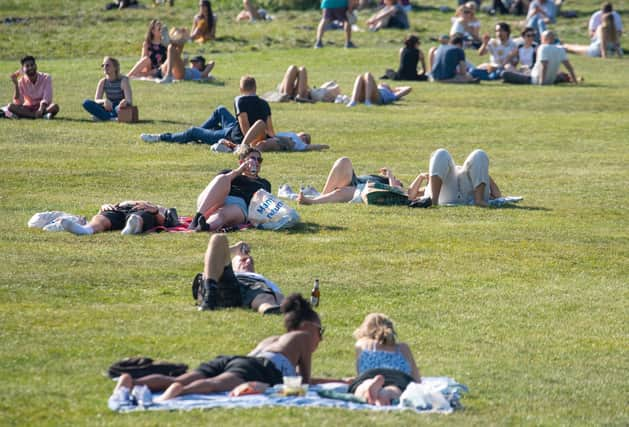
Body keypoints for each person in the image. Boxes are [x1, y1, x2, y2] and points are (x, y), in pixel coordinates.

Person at [109, 293, 324, 402]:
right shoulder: (302, 337)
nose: (320, 339)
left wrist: (339, 380)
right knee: (212, 385)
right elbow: (302, 383)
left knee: (179, 378)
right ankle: (180, 393)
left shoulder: (274, 340)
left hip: (235, 360)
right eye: (320, 331)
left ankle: (130, 381)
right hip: (255, 369)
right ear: (306, 326)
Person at [141, 76, 270, 145]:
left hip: (231, 136)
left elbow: (244, 128)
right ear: (255, 87)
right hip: (233, 128)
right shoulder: (264, 103)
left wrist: (247, 143)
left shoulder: (240, 100)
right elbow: (271, 130)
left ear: (241, 89)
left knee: (193, 130)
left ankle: (161, 137)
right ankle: (195, 137)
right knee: (220, 110)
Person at [193, 234, 285, 313]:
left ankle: (268, 309)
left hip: (253, 287)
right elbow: (214, 255)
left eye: (250, 261)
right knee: (218, 237)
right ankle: (209, 297)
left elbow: (277, 294)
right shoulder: (216, 270)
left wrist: (285, 304)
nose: (248, 261)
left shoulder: (261, 279)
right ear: (231, 263)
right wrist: (235, 249)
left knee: (264, 296)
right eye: (243, 260)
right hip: (225, 283)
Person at [190, 147, 270, 231]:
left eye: (259, 160)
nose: (256, 162)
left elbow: (263, 205)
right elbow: (213, 189)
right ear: (242, 162)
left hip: (239, 205)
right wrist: (239, 171)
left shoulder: (264, 183)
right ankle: (197, 218)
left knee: (222, 213)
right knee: (221, 178)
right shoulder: (228, 173)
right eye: (252, 158)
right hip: (213, 201)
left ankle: (205, 227)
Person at [348, 313, 421, 405]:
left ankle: (368, 388)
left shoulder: (362, 344)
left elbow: (360, 372)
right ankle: (385, 395)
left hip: (370, 373)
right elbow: (416, 379)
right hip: (398, 376)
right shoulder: (403, 348)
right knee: (395, 389)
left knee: (362, 385)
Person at [406, 148, 502, 207]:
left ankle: (479, 200)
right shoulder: (435, 184)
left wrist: (481, 172)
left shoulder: (471, 175)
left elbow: (497, 195)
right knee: (441, 153)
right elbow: (411, 195)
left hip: (471, 195)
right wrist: (420, 177)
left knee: (479, 153)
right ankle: (433, 200)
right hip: (445, 196)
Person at [297, 157, 403, 205]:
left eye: (398, 181)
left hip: (359, 188)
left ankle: (315, 199)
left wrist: (390, 177)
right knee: (343, 161)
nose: (397, 180)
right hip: (355, 181)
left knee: (341, 191)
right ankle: (323, 194)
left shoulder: (392, 188)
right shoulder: (380, 179)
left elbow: (395, 190)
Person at [58, 201, 179, 236]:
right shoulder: (124, 202)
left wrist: (155, 210)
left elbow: (164, 223)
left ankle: (132, 227)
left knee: (139, 216)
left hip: (143, 212)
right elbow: (104, 211)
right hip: (119, 209)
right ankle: (86, 230)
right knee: (104, 216)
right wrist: (103, 207)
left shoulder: (158, 208)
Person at [502, 30, 577, 84]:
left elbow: (544, 65)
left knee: (504, 74)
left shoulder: (542, 48)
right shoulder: (560, 49)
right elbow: (569, 67)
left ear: (544, 39)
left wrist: (542, 82)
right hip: (552, 80)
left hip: (535, 78)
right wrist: (575, 81)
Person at [82, 56, 133, 121]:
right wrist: (104, 101)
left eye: (107, 65)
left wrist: (124, 102)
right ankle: (110, 118)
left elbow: (129, 101)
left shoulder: (123, 81)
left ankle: (103, 117)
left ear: (115, 68)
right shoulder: (103, 81)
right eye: (103, 65)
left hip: (119, 107)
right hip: (107, 107)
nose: (104, 67)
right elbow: (96, 100)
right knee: (86, 103)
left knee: (118, 108)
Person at [233, 119, 330, 152]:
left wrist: (325, 146)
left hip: (282, 143)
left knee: (262, 145)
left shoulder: (300, 144)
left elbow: (314, 147)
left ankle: (248, 152)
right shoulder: (291, 134)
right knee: (260, 123)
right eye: (304, 134)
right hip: (272, 137)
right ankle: (242, 146)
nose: (305, 137)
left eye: (306, 139)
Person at [346, 72, 411, 107]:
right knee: (360, 76)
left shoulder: (392, 95)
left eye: (386, 84)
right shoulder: (373, 87)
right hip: (366, 95)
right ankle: (353, 101)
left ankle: (367, 101)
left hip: (378, 98)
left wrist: (394, 89)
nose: (383, 83)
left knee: (368, 74)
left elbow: (408, 88)